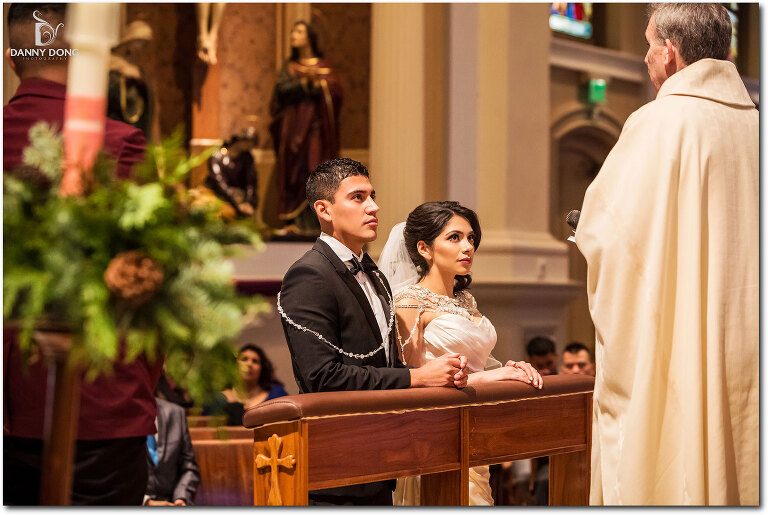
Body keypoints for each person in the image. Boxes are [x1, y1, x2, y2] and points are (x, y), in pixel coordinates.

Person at [575, 3, 757, 505]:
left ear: (670, 52)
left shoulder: (660, 122)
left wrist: (585, 227)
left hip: (685, 343)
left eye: (649, 45)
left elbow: (613, 235)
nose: (646, 57)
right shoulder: (756, 126)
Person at [3, 3, 158, 505]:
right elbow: (151, 277)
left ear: (11, 57)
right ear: (84, 53)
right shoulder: (123, 144)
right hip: (98, 401)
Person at [278, 158, 469, 505]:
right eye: (358, 197)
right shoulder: (309, 274)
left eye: (372, 196)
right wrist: (416, 378)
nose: (374, 207)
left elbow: (382, 361)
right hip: (336, 468)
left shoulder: (375, 275)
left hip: (380, 457)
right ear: (324, 209)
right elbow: (322, 376)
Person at [378, 201, 543, 506]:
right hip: (435, 432)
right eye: (454, 238)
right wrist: (497, 375)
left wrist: (510, 368)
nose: (467, 247)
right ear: (424, 249)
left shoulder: (465, 300)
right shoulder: (409, 302)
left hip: (474, 424)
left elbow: (479, 362)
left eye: (470, 238)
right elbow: (413, 382)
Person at [270, 21, 342, 236]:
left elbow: (336, 93)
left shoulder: (323, 66)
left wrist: (320, 85)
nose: (294, 35)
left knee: (315, 170)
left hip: (315, 131)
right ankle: (294, 221)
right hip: (293, 131)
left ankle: (315, 221)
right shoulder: (290, 67)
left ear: (309, 37)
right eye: (293, 31)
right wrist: (303, 84)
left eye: (299, 31)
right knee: (294, 173)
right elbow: (280, 91)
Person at [211, 344, 288, 426]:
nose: (249, 364)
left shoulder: (277, 395)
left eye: (255, 361)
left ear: (262, 369)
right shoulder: (217, 399)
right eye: (244, 359)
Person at [144, 398, 200, 506]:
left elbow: (189, 467)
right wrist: (146, 502)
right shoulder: (119, 414)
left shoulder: (176, 413)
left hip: (172, 503)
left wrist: (181, 497)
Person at [107, 20, 153, 136]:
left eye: (143, 44)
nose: (140, 47)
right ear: (130, 40)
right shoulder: (111, 59)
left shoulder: (129, 63)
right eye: (139, 42)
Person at [204, 127, 259, 219]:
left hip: (239, 197)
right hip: (220, 196)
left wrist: (248, 202)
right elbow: (219, 181)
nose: (248, 145)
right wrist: (235, 201)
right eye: (246, 141)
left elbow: (251, 182)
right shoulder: (217, 156)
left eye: (251, 143)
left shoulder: (247, 158)